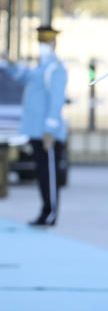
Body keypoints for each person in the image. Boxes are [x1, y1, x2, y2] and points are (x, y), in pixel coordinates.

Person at [1, 26, 67, 226]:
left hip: (47, 133)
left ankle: (50, 213)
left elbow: (57, 101)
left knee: (50, 175)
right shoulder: (41, 67)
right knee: (42, 173)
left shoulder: (56, 69)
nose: (42, 46)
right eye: (40, 42)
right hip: (35, 130)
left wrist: (50, 130)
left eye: (45, 42)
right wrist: (11, 64)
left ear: (54, 44)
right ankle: (45, 211)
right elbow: (23, 77)